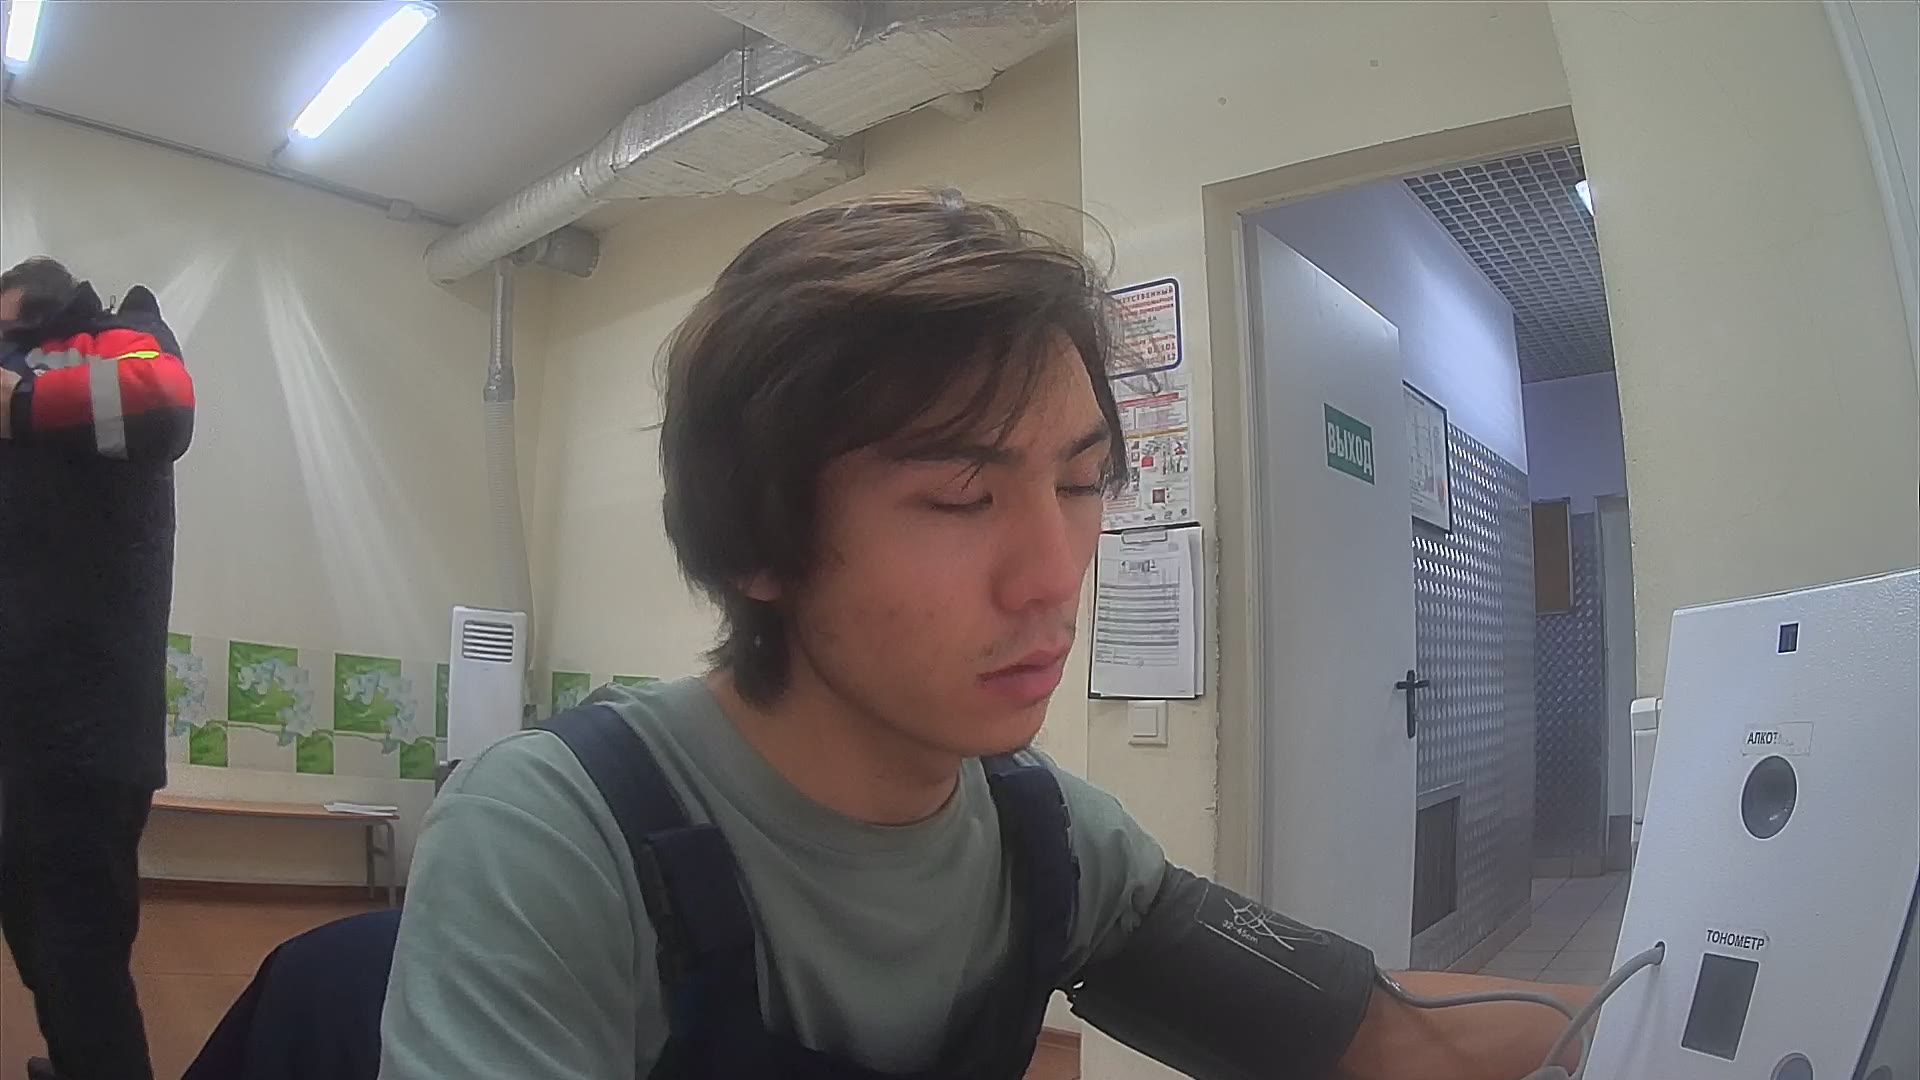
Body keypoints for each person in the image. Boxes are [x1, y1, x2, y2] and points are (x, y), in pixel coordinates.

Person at [380, 192, 1590, 1080]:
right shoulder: (559, 834)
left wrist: (1669, 1018)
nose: (1054, 574)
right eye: (962, 497)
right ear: (756, 542)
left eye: (1080, 481)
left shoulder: (1045, 834)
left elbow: (1384, 1037)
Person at [0, 256, 196, 1080]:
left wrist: (17, 401)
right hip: (21, 724)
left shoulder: (118, 332)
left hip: (89, 724)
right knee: (35, 931)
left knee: (79, 949)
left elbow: (165, 403)